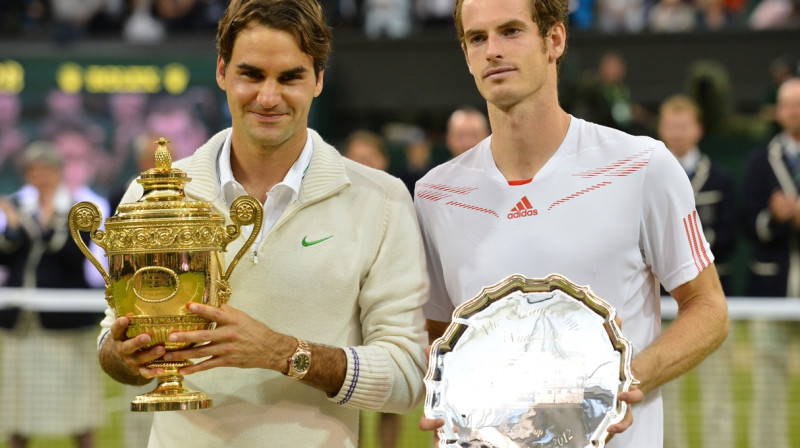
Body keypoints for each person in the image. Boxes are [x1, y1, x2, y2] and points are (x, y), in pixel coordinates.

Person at [96, 1, 429, 447]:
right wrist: (125, 355)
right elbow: (112, 344)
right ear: (222, 71)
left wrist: (283, 353)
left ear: (319, 79)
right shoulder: (149, 194)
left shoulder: (382, 199)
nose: (268, 98)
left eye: (290, 77)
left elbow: (407, 377)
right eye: (251, 75)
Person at [414, 0, 729, 447]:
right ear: (466, 55)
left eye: (511, 31)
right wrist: (446, 392)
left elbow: (709, 308)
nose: (493, 50)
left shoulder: (642, 165)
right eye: (477, 38)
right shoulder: (435, 194)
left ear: (555, 39)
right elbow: (439, 336)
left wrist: (621, 379)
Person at [0, 142, 106, 448]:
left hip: (66, 326)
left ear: (59, 173)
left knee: (77, 406)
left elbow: (73, 257)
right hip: (23, 322)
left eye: (47, 170)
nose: (41, 177)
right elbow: (6, 257)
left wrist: (46, 222)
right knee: (19, 406)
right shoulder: (18, 208)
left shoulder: (78, 211)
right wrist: (14, 226)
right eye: (34, 171)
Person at [657, 94, 736, 448]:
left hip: (707, 295)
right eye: (671, 126)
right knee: (664, 385)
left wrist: (685, 248)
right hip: (660, 300)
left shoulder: (720, 176)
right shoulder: (649, 177)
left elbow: (730, 234)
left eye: (683, 126)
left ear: (698, 130)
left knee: (717, 384)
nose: (677, 133)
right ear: (661, 130)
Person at [742, 76, 800, 448]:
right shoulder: (759, 161)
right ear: (777, 112)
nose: (795, 112)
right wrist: (776, 218)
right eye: (788, 105)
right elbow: (748, 224)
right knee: (768, 390)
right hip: (771, 289)